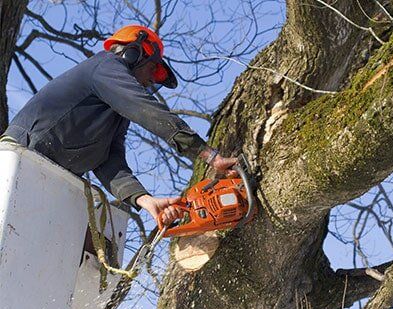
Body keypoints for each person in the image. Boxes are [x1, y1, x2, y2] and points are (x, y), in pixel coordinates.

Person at [1, 25, 237, 225]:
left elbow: (109, 161)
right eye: (152, 69)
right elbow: (147, 110)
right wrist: (208, 155)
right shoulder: (105, 66)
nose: (149, 81)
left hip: (47, 178)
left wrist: (145, 200)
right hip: (22, 157)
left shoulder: (115, 112)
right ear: (133, 54)